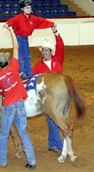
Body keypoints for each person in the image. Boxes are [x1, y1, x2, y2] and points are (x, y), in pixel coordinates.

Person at [0, 26, 36, 169]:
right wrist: (12, 32)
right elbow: (16, 48)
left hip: (8, 106)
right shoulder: (14, 67)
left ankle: (2, 161)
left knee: (4, 134)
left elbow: (2, 88)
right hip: (20, 103)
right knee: (23, 132)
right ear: (7, 61)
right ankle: (31, 160)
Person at [32, 25, 64, 153]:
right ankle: (61, 147)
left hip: (60, 96)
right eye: (43, 50)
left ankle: (51, 144)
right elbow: (33, 81)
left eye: (46, 50)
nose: (44, 52)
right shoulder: (38, 67)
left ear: (51, 51)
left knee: (53, 120)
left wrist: (56, 32)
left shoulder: (58, 60)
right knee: (53, 119)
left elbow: (61, 46)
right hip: (47, 98)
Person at [5, 0, 54, 79]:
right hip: (18, 39)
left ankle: (28, 72)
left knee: (27, 56)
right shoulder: (18, 18)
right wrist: (7, 24)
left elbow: (42, 21)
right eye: (27, 8)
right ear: (22, 9)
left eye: (30, 7)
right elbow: (12, 21)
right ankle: (21, 73)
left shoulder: (33, 18)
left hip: (25, 39)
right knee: (19, 57)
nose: (29, 9)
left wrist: (51, 24)